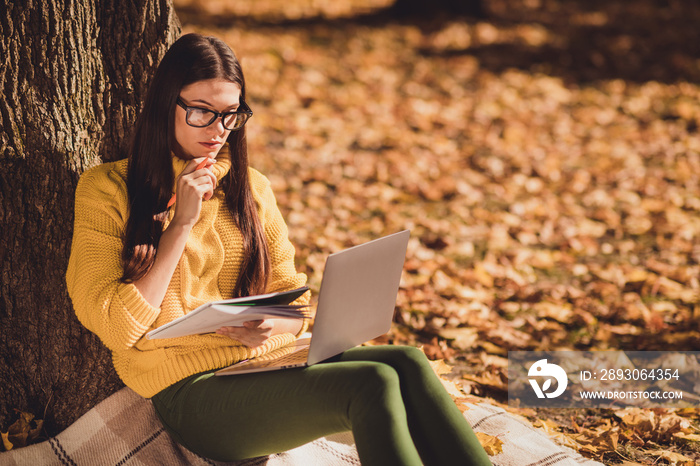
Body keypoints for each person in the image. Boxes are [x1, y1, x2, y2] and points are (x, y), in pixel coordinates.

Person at [66, 32, 492, 466]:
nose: (218, 130)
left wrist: (273, 325)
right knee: (373, 383)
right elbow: (115, 328)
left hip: (266, 362)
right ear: (164, 107)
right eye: (201, 112)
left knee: (409, 362)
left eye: (231, 115)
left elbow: (296, 302)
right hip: (191, 391)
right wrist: (181, 224)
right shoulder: (107, 189)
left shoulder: (252, 188)